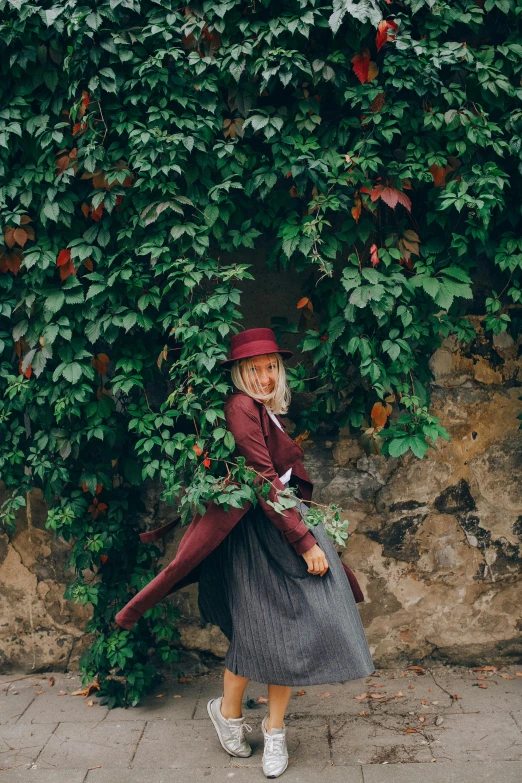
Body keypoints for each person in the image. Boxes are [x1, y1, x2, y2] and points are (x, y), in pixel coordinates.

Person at [200, 327, 375, 778]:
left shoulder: (264, 409)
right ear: (240, 372)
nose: (263, 377)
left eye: (271, 367)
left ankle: (274, 731)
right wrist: (306, 541)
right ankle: (228, 712)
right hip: (264, 533)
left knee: (290, 634)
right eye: (254, 369)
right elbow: (262, 478)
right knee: (259, 632)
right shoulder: (240, 406)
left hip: (281, 522)